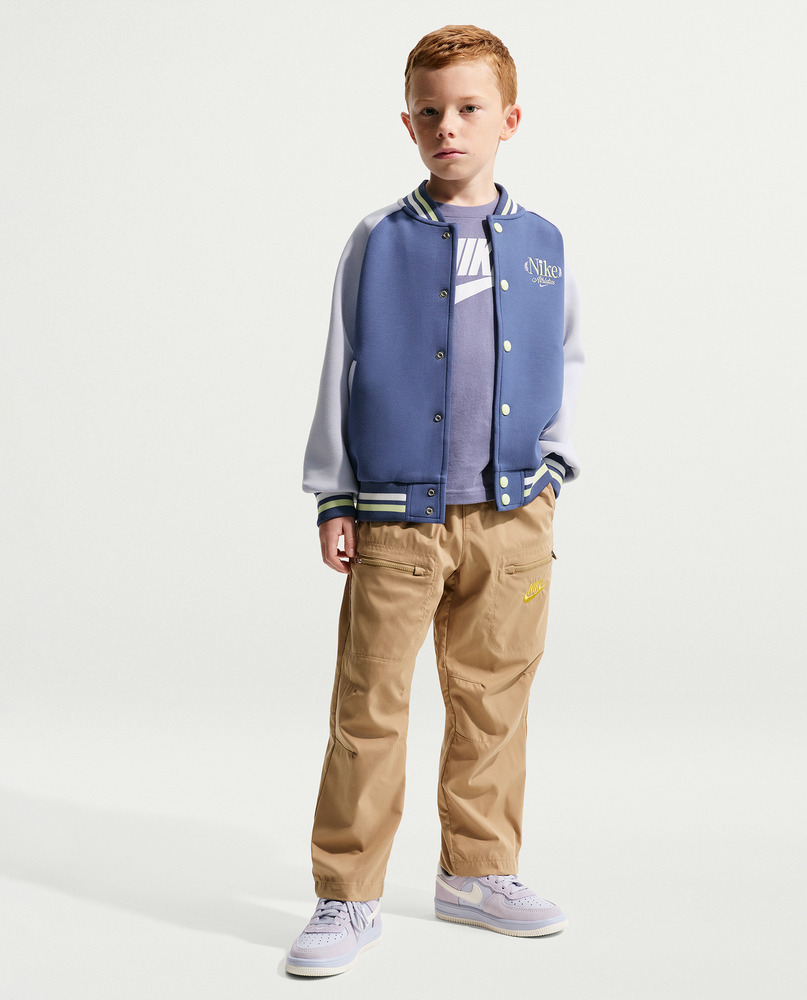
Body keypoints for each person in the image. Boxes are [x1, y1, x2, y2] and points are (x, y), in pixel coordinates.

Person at [286, 24, 584, 977]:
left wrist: (555, 468)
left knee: (494, 700)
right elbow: (341, 364)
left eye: (468, 108)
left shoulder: (543, 245)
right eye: (429, 111)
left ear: (509, 120)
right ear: (408, 123)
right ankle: (347, 893)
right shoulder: (378, 241)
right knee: (369, 705)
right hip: (393, 518)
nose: (447, 126)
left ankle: (478, 872)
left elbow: (569, 358)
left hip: (513, 517)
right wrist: (333, 493)